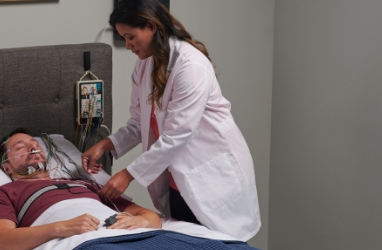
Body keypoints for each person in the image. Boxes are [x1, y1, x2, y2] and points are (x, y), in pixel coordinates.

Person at [81, 0, 261, 241]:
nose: (128, 45)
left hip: (212, 176)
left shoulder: (191, 65)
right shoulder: (144, 66)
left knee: (220, 243)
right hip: (178, 179)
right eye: (124, 38)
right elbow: (138, 123)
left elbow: (178, 135)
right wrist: (105, 145)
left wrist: (128, 175)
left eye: (131, 36)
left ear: (151, 26)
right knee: (186, 241)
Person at [0, 128, 162, 250]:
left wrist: (140, 223)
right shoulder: (4, 193)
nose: (33, 147)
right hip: (85, 243)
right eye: (20, 147)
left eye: (35, 144)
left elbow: (151, 217)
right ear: (7, 168)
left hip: (130, 238)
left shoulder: (86, 184)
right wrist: (61, 228)